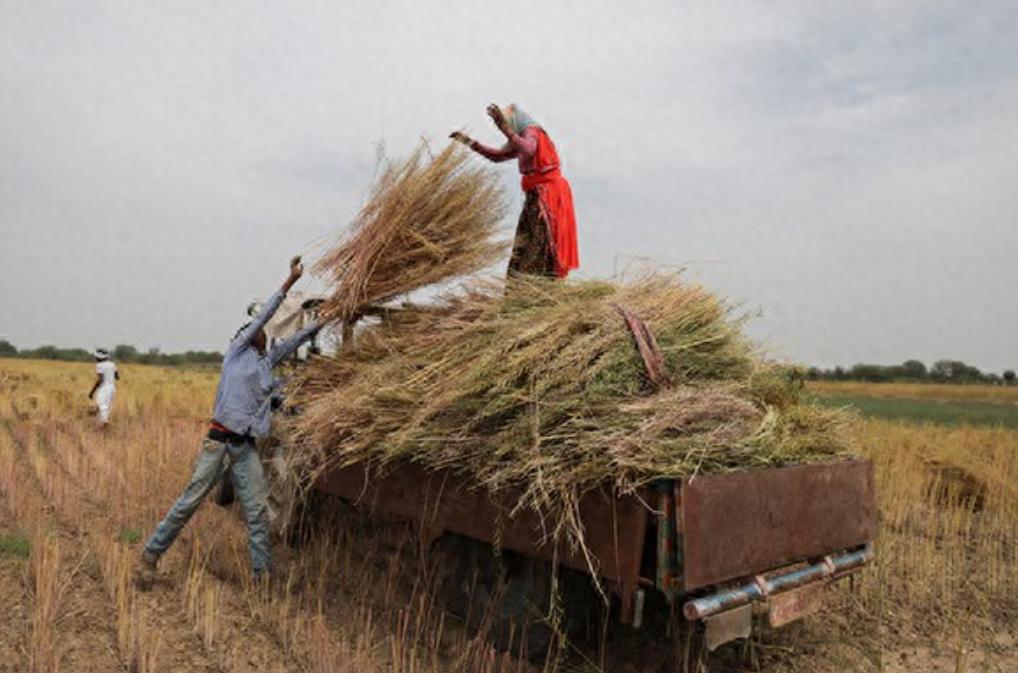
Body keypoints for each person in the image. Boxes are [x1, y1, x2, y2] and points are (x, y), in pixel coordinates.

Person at [140, 256, 320, 584]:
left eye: (264, 333)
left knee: (257, 514)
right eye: (258, 331)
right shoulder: (237, 352)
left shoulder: (267, 363)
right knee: (189, 502)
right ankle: (150, 556)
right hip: (218, 443)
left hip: (244, 448)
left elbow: (296, 340)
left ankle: (261, 579)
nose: (263, 334)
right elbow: (262, 317)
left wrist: (329, 317)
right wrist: (289, 282)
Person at [451, 103, 579, 278]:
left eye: (507, 122)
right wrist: (469, 142)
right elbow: (497, 156)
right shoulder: (520, 137)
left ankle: (538, 292)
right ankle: (522, 292)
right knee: (525, 244)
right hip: (536, 196)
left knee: (539, 243)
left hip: (548, 197)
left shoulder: (532, 132)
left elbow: (528, 149)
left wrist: (504, 129)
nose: (508, 126)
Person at [88, 349, 119, 426]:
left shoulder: (99, 365)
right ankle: (101, 422)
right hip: (112, 388)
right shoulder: (112, 364)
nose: (95, 359)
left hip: (104, 388)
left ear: (99, 357)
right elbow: (117, 377)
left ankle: (104, 423)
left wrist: (92, 392)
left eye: (96, 357)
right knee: (107, 406)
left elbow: (100, 380)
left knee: (101, 405)